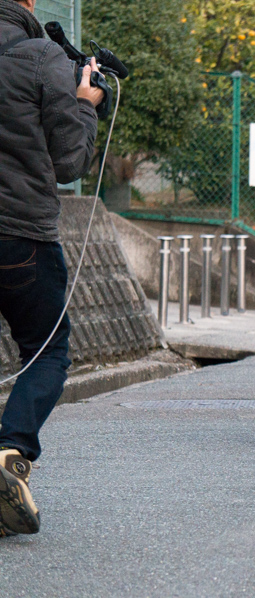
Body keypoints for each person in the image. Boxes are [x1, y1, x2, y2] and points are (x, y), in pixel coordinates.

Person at [0, 0, 102, 537]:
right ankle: (10, 450)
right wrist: (86, 102)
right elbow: (68, 163)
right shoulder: (41, 56)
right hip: (20, 236)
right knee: (48, 349)